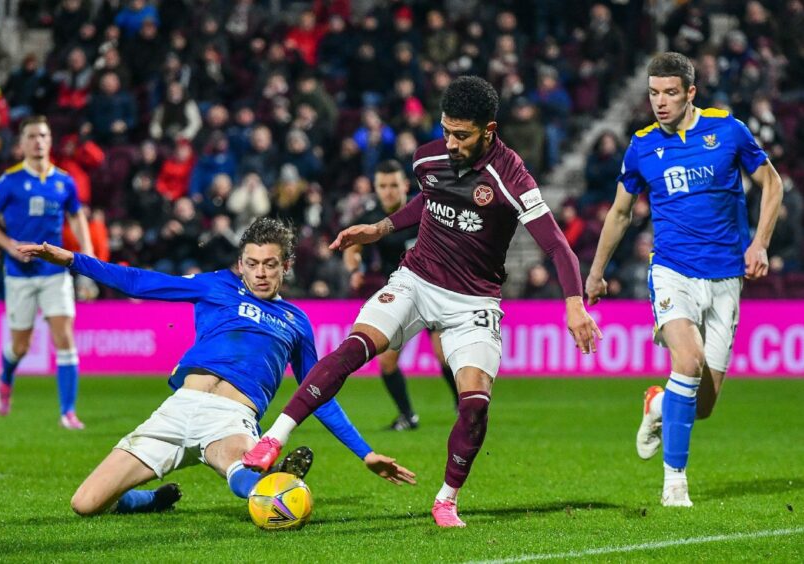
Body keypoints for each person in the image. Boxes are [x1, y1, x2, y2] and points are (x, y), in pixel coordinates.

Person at [242, 76, 601, 528]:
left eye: (462, 135)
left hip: (473, 301)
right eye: (446, 130)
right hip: (416, 280)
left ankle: (446, 498)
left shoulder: (512, 177)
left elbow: (557, 247)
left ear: (489, 130)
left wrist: (573, 303)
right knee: (353, 349)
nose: (450, 142)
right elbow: (428, 201)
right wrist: (381, 228)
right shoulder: (428, 157)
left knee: (474, 404)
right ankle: (273, 438)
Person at [17, 218, 416, 516]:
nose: (260, 273)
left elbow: (318, 394)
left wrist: (365, 453)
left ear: (286, 266)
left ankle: (269, 480)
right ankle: (149, 500)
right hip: (176, 411)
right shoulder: (215, 286)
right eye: (253, 263)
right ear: (240, 264)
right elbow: (140, 282)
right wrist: (71, 260)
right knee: (84, 504)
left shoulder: (296, 322)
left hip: (231, 419)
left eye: (270, 264)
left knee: (244, 480)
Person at [585, 52, 782, 507]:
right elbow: (619, 212)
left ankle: (655, 405)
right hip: (672, 271)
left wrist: (760, 243)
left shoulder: (728, 131)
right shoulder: (642, 146)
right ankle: (675, 483)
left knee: (703, 406)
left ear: (691, 92)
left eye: (670, 92)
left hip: (727, 275)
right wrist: (594, 273)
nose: (660, 102)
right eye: (653, 93)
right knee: (687, 361)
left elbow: (772, 184)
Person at [0, 115, 94, 429]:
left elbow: (77, 217)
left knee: (65, 337)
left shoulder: (64, 181)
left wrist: (88, 252)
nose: (38, 141)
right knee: (21, 346)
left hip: (55, 272)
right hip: (19, 274)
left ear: (50, 140)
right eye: (31, 136)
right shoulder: (10, 180)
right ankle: (4, 379)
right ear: (22, 143)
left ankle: (67, 412)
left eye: (43, 135)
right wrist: (9, 245)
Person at [343, 159, 458, 430]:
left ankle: (462, 406)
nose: (389, 191)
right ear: (376, 188)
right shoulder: (371, 217)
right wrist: (354, 269)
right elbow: (352, 246)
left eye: (393, 185)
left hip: (435, 291)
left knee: (444, 354)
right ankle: (408, 416)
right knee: (387, 359)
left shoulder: (427, 209)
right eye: (383, 186)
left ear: (405, 185)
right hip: (399, 297)